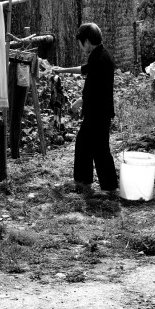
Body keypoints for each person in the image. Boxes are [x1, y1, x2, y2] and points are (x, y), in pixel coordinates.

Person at [52, 23, 118, 198]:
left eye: (81, 44)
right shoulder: (101, 55)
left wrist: (78, 102)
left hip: (98, 111)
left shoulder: (99, 59)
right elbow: (85, 70)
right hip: (99, 110)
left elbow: (95, 90)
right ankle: (85, 183)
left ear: (87, 41)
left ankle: (107, 187)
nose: (81, 48)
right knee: (86, 145)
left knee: (99, 149)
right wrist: (63, 70)